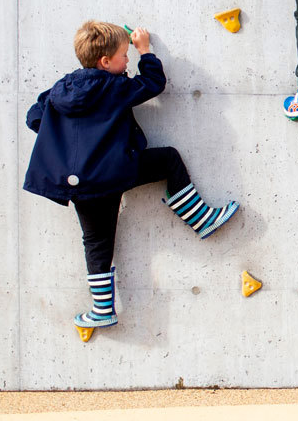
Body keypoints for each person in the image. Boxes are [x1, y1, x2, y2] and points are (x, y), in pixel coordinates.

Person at [24, 21, 239, 334]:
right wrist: (144, 50)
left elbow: (34, 117)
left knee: (97, 241)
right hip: (115, 172)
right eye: (124, 56)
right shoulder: (113, 87)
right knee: (167, 159)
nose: (127, 62)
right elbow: (153, 84)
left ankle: (102, 310)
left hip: (82, 183)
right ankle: (201, 219)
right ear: (105, 62)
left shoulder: (60, 89)